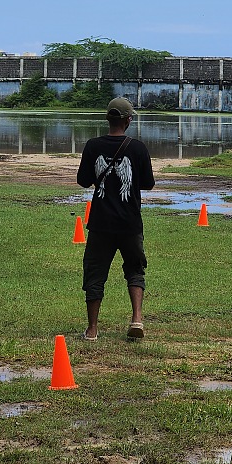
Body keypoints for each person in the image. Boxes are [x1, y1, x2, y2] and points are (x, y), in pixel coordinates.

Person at [77, 97, 155, 341]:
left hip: (100, 224)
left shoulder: (92, 146)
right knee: (135, 269)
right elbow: (148, 183)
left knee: (95, 273)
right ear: (128, 120)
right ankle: (137, 320)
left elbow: (82, 180)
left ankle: (92, 330)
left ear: (108, 119)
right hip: (130, 223)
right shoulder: (138, 148)